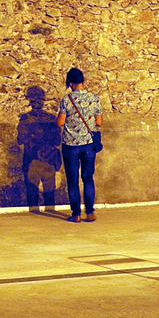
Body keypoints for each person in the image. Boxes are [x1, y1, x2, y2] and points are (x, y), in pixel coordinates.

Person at [57, 68, 103, 223]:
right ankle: (90, 212)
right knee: (88, 178)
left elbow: (61, 122)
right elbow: (99, 122)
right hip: (89, 144)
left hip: (70, 144)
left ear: (70, 82)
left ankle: (76, 214)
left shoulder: (66, 100)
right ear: (83, 81)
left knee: (73, 179)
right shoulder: (94, 98)